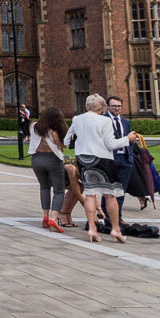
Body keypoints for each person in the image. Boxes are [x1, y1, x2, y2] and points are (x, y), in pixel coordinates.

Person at [64, 93, 138, 243]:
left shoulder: (77, 119)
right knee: (110, 195)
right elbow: (111, 144)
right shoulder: (105, 120)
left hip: (84, 160)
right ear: (102, 107)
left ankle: (92, 228)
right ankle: (115, 229)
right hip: (103, 159)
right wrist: (128, 139)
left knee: (90, 195)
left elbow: (66, 141)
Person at [29, 107, 68, 233]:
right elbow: (62, 146)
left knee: (44, 187)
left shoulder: (34, 126)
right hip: (52, 160)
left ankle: (45, 216)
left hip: (37, 159)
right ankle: (53, 218)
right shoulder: (54, 132)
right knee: (59, 191)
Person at [105, 96, 134, 225]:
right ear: (108, 107)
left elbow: (130, 140)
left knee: (121, 191)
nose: (117, 108)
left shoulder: (125, 122)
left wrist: (130, 158)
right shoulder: (103, 120)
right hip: (111, 159)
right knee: (109, 191)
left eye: (119, 106)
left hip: (125, 159)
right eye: (114, 106)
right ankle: (106, 217)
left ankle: (118, 217)